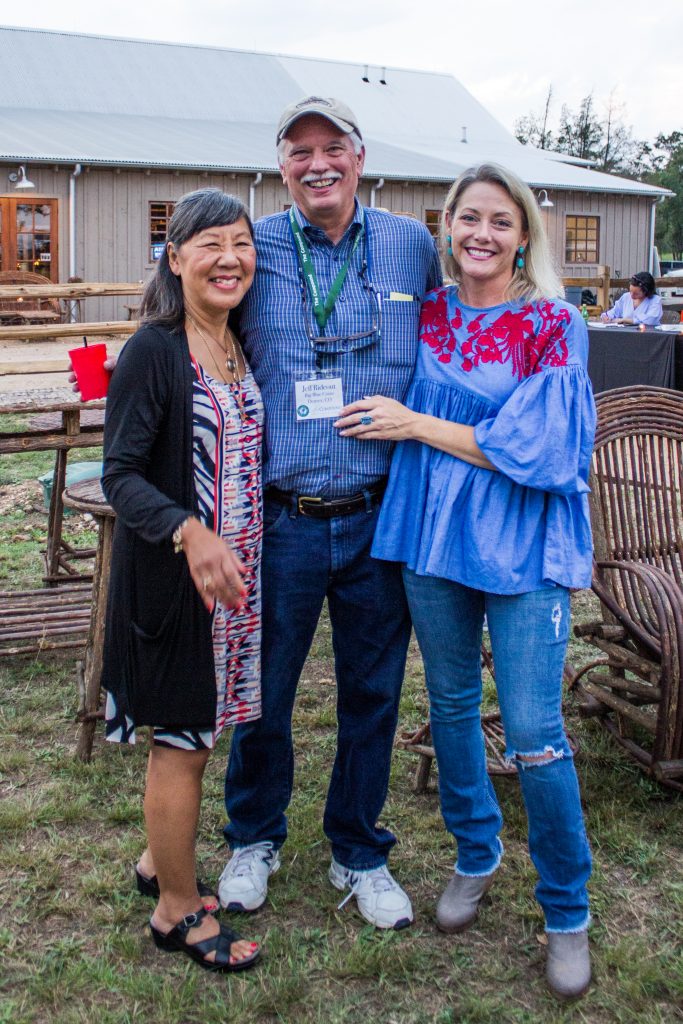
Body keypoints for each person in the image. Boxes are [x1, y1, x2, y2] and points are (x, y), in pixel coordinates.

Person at [335, 163, 595, 998]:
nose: (480, 234)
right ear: (445, 227)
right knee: (447, 707)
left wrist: (416, 425)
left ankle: (566, 907)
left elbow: (541, 451)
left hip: (519, 547)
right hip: (433, 538)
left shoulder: (554, 324)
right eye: (466, 218)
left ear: (524, 235)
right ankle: (473, 852)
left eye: (499, 221)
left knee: (534, 733)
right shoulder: (429, 314)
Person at [217, 97, 442, 929]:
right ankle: (253, 835)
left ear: (358, 155)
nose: (318, 164)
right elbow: (193, 328)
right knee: (263, 690)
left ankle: (357, 848)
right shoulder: (254, 248)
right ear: (281, 166)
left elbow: (455, 336)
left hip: (382, 516)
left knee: (372, 692)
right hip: (281, 519)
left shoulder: (411, 245)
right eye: (299, 151)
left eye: (332, 148)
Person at [101, 188, 262, 972]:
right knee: (183, 748)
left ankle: (153, 861)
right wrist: (190, 530)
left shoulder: (236, 344)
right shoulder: (155, 350)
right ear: (176, 257)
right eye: (210, 244)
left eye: (241, 243)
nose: (229, 258)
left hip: (233, 587)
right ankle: (175, 911)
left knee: (200, 733)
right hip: (176, 585)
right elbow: (120, 475)